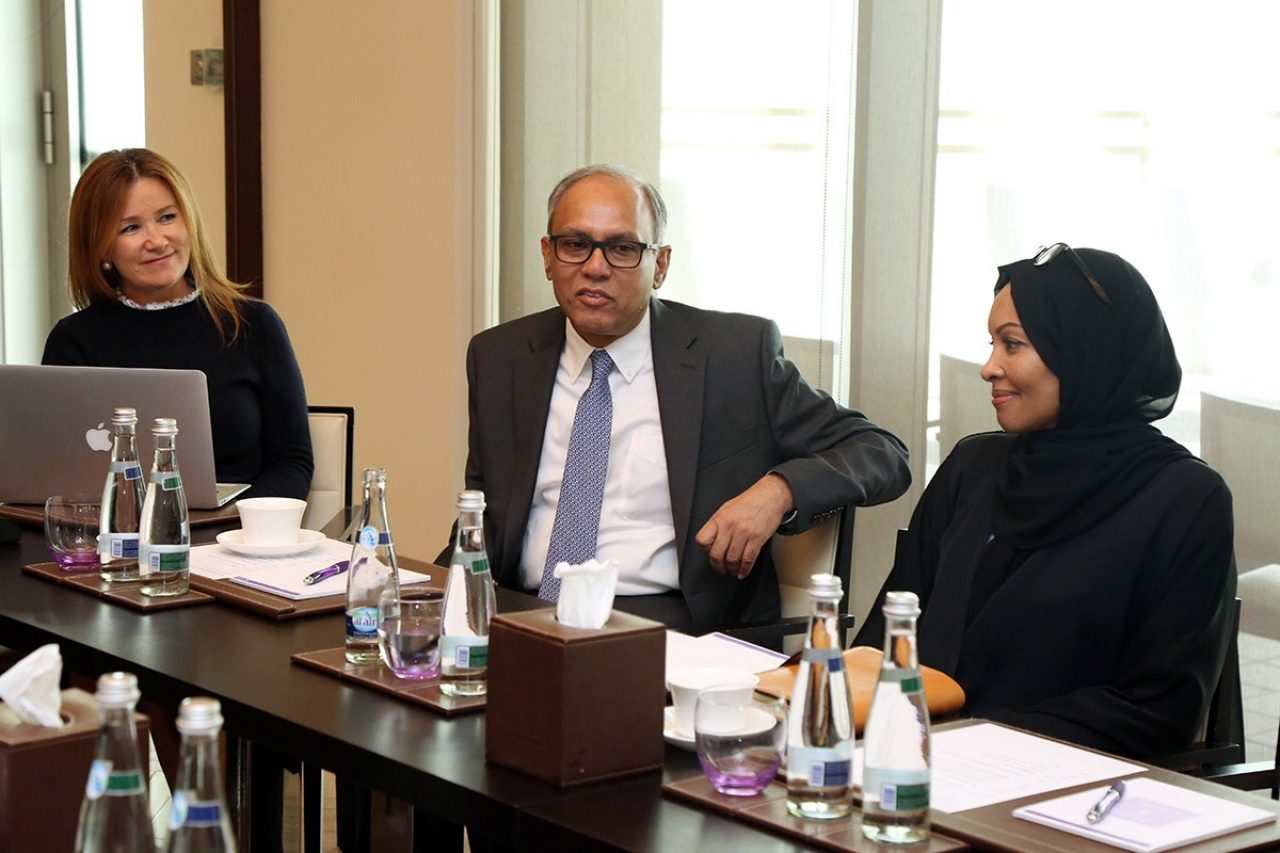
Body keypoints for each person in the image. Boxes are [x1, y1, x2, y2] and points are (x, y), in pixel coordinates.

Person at [443, 164, 911, 633]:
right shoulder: (500, 357)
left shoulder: (733, 356)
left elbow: (881, 452)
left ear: (660, 265)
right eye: (575, 244)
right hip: (520, 615)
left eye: (623, 248)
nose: (595, 267)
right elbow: (481, 519)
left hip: (670, 625)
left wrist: (778, 491)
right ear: (548, 255)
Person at [855, 244, 1236, 760]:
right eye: (992, 344)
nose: (989, 367)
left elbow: (1159, 710)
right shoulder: (972, 466)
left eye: (1012, 344)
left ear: (1087, 351)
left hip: (1053, 780)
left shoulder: (1184, 499)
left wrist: (970, 743)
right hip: (910, 761)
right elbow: (887, 633)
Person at [42, 148, 313, 500]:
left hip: (237, 529)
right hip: (114, 530)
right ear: (102, 248)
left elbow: (292, 462)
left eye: (167, 217)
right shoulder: (73, 341)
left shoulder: (253, 324)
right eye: (131, 228)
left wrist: (242, 523)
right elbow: (54, 473)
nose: (157, 241)